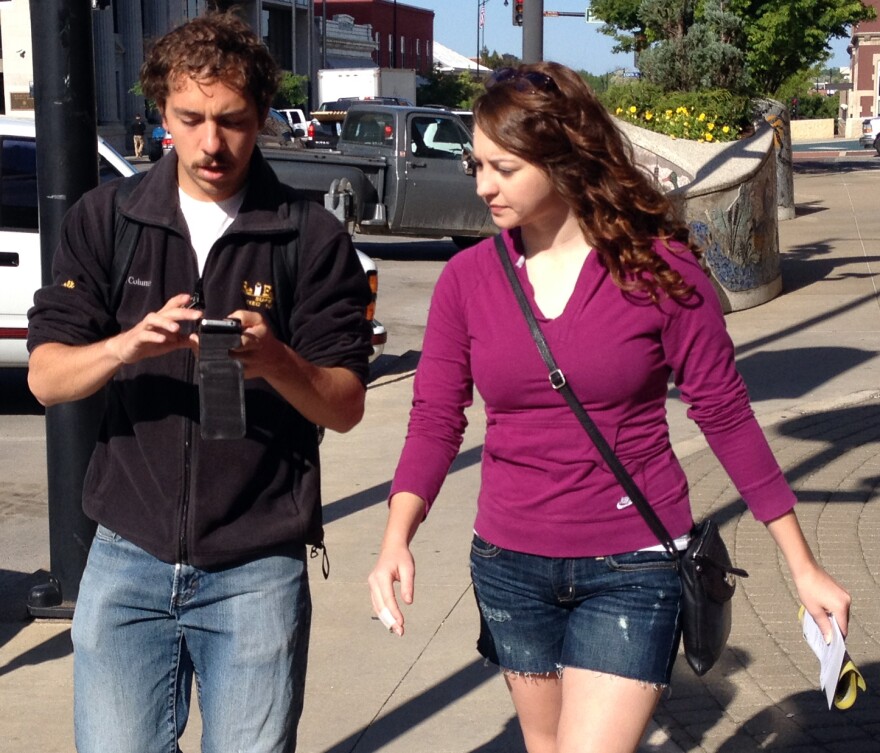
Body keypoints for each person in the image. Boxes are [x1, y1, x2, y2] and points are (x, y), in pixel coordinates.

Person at [368, 62, 851, 753]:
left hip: (633, 564)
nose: (482, 185)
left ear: (563, 155)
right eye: (478, 164)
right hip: (510, 562)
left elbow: (727, 415)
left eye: (503, 167)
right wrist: (396, 536)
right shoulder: (467, 281)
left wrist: (802, 565)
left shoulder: (659, 271)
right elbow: (436, 417)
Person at [28, 12, 371, 753]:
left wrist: (277, 359)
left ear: (265, 118)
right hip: (126, 556)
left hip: (257, 563)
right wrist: (127, 345)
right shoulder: (108, 218)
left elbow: (344, 406)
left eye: (233, 121)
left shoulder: (308, 235)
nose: (212, 143)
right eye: (192, 119)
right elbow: (48, 379)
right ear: (162, 115)